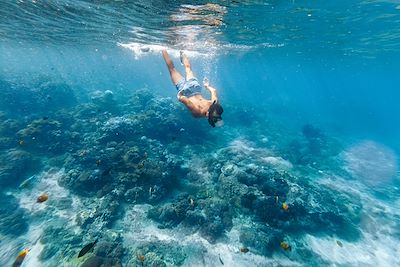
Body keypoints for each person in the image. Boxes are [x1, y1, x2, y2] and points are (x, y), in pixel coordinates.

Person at [162, 50, 224, 127]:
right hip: (184, 90)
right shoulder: (197, 113)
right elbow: (185, 100)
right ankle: (163, 49)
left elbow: (213, 91)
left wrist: (207, 86)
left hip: (195, 87)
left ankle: (182, 50)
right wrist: (179, 97)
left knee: (188, 68)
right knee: (172, 69)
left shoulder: (215, 104)